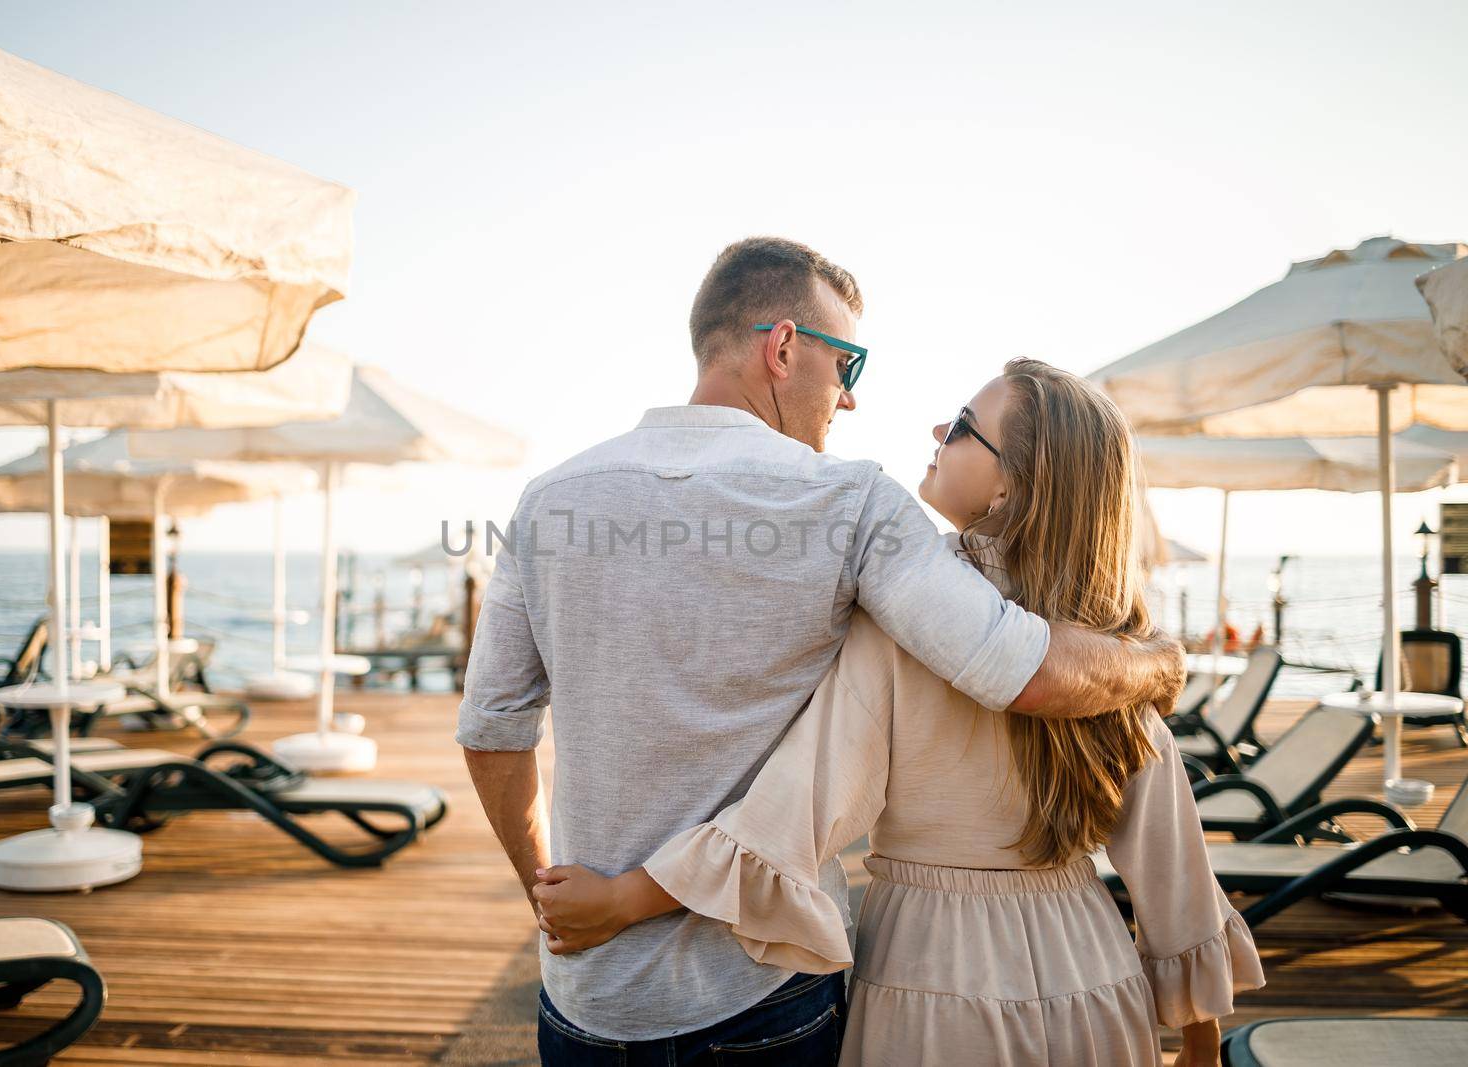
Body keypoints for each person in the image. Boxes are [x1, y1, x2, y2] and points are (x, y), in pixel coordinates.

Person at [456, 237, 1187, 1065]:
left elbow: (492, 730)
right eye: (849, 367)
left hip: (587, 991)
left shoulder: (551, 500)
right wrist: (1161, 661)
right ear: (783, 348)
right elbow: (1018, 666)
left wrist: (548, 896)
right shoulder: (849, 501)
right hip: (765, 987)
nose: (848, 402)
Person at [533, 359, 1264, 1066]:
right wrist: (1200, 1042)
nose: (939, 426)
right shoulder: (1114, 650)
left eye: (965, 428)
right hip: (1094, 980)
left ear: (1011, 486)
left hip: (934, 984)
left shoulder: (904, 626)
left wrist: (626, 897)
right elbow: (1174, 867)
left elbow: (792, 813)